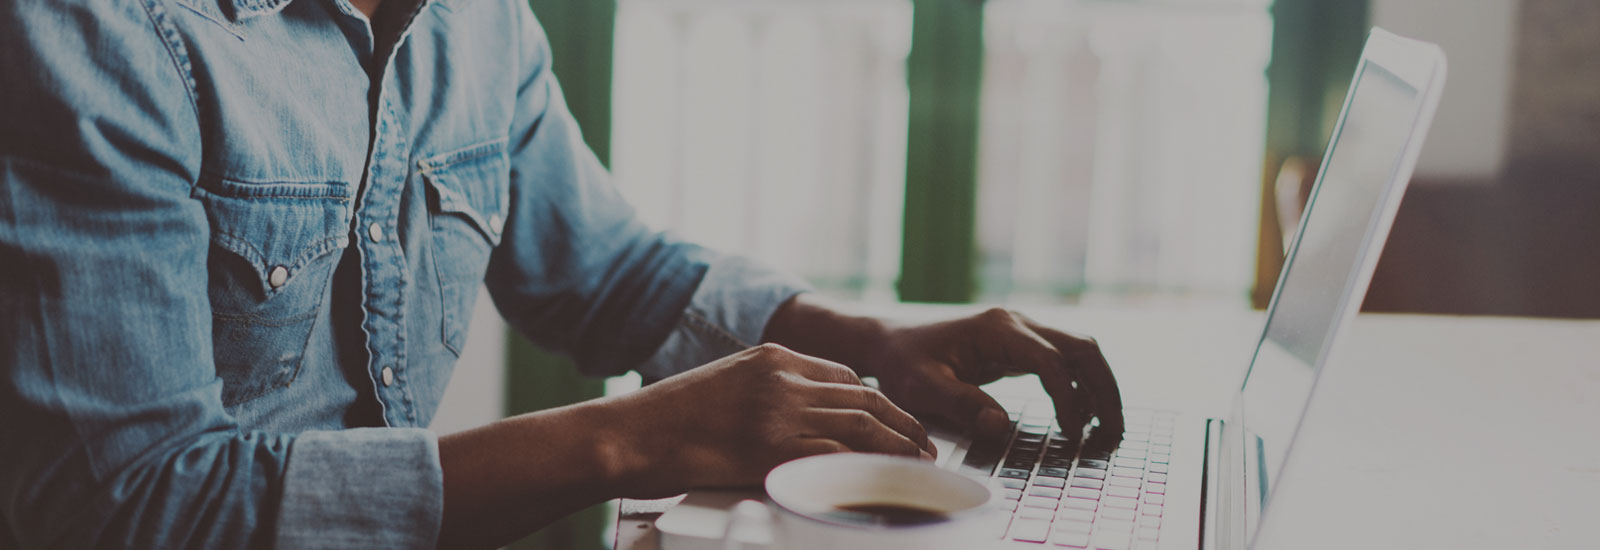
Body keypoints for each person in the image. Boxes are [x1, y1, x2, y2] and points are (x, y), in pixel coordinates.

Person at [0, 0, 1123, 548]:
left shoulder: (478, 23)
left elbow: (607, 273)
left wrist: (862, 339)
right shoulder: (91, 31)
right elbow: (123, 502)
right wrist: (631, 439)